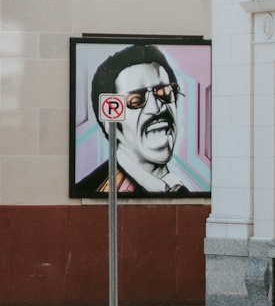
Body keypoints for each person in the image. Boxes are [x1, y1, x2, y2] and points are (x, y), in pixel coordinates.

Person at [77, 42, 191, 195]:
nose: (156, 108)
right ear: (110, 123)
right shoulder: (94, 189)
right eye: (136, 100)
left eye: (164, 92)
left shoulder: (178, 187)